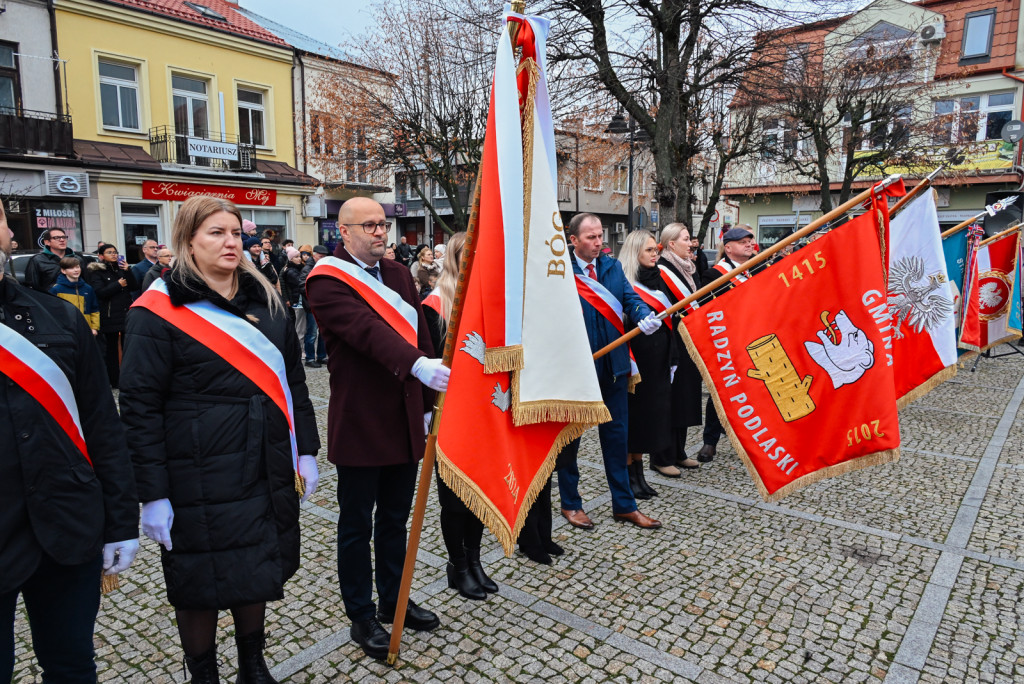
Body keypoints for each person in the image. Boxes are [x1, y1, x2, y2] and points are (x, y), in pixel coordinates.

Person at [119, 196, 320, 683]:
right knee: (198, 580)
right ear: (188, 240)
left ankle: (253, 664)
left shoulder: (265, 300)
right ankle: (203, 673)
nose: (231, 242)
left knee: (254, 569)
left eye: (235, 233)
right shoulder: (157, 310)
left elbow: (293, 381)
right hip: (194, 473)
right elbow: (140, 408)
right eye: (216, 233)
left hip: (263, 463)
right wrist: (153, 493)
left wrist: (307, 449)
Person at [1, 199, 139, 682]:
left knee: (72, 665)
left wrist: (122, 520)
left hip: (68, 522)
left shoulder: (58, 317)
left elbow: (102, 423)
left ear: (9, 235)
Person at [305, 197, 448, 661]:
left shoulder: (399, 274)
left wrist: (427, 400)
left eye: (382, 224)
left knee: (394, 520)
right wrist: (418, 366)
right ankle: (361, 614)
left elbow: (420, 339)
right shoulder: (326, 279)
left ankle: (393, 599)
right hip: (362, 418)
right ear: (342, 232)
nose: (379, 232)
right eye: (368, 225)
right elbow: (365, 331)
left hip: (405, 413)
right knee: (355, 525)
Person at [555, 213, 663, 531]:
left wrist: (644, 314)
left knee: (616, 438)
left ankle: (624, 505)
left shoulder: (612, 266)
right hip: (577, 368)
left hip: (613, 367)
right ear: (573, 239)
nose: (599, 242)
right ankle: (571, 503)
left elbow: (630, 299)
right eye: (591, 237)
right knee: (570, 440)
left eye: (600, 235)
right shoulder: (559, 270)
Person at [420, 232, 499, 598]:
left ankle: (475, 559)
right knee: (454, 500)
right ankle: (458, 565)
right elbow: (430, 364)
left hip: (486, 412)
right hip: (451, 413)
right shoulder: (434, 305)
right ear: (456, 258)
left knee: (479, 494)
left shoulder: (490, 301)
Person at [696, 225, 759, 463]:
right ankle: (709, 442)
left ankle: (748, 441)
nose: (749, 245)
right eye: (743, 242)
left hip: (753, 339)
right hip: (728, 342)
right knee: (721, 392)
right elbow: (709, 310)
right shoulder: (714, 275)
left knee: (753, 393)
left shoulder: (757, 269)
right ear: (729, 247)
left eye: (750, 241)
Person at [619, 230, 674, 500]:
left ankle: (639, 474)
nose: (655, 254)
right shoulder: (624, 282)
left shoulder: (658, 279)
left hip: (658, 360)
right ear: (635, 252)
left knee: (650, 419)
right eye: (650, 250)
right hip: (636, 361)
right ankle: (630, 477)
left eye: (656, 249)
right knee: (636, 420)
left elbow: (670, 320)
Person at [654, 223, 705, 474]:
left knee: (684, 397)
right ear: (671, 244)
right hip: (671, 341)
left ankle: (679, 451)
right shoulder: (662, 270)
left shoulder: (690, 268)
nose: (691, 243)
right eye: (686, 239)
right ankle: (662, 456)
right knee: (669, 400)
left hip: (688, 340)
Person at [86, 244, 138, 389]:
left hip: (125, 313)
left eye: (115, 252)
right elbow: (100, 292)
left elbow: (134, 287)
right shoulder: (96, 272)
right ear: (101, 256)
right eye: (109, 252)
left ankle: (129, 378)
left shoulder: (121, 269)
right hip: (109, 316)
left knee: (128, 347)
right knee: (112, 351)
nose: (114, 255)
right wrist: (118, 284)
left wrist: (128, 271)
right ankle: (114, 380)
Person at [49, 256, 100, 335]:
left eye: (77, 267)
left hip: (86, 329)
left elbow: (94, 309)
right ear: (63, 271)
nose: (76, 270)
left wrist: (94, 327)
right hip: (66, 330)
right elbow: (52, 312)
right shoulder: (56, 289)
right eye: (71, 268)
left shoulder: (88, 288)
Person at [300, 245, 329, 367]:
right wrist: (316, 295)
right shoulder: (308, 268)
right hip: (312, 305)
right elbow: (302, 285)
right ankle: (310, 358)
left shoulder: (323, 266)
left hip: (322, 304)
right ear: (314, 255)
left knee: (322, 332)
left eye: (324, 257)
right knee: (311, 333)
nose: (322, 258)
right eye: (320, 256)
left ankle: (321, 356)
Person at [25, 228, 76, 292]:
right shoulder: (37, 260)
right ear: (47, 242)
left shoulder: (76, 259)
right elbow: (32, 286)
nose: (62, 240)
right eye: (57, 238)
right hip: (50, 299)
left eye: (64, 237)